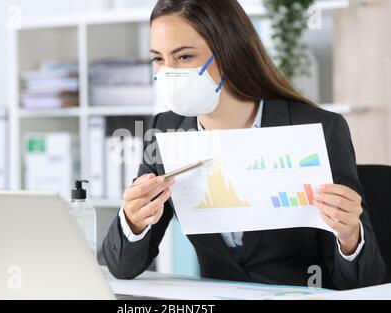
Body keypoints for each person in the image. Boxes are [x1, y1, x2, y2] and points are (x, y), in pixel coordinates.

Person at [102, 0, 385, 289]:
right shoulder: (165, 130)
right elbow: (123, 268)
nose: (168, 73)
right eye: (158, 59)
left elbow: (365, 283)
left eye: (184, 57)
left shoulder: (318, 129)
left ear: (229, 52)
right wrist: (133, 221)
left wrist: (350, 236)